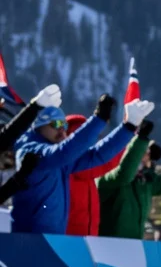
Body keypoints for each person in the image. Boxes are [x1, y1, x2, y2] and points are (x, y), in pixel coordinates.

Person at [12, 94, 152, 235]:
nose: (61, 130)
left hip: (53, 239)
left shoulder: (61, 162)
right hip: (30, 239)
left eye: (63, 125)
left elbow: (96, 155)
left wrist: (128, 126)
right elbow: (63, 152)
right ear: (39, 126)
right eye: (55, 124)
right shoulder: (32, 153)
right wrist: (99, 119)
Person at [64, 114, 123, 236]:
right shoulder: (75, 165)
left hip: (87, 237)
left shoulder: (82, 165)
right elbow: (107, 160)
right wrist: (127, 134)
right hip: (72, 238)